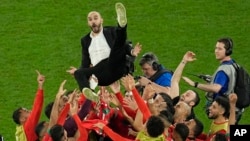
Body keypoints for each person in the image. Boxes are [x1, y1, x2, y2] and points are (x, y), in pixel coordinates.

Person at [67, 2, 141, 91]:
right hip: (100, 73)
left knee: (116, 46)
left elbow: (122, 44)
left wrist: (132, 51)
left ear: (101, 20)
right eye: (90, 20)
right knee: (78, 73)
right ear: (88, 23)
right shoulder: (85, 40)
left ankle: (122, 25)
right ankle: (89, 93)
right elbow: (85, 61)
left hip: (115, 65)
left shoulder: (111, 31)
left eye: (95, 18)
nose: (93, 22)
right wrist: (78, 71)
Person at [182, 37, 243, 124]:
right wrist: (212, 79)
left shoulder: (223, 69)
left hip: (225, 111)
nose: (216, 51)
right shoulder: (233, 63)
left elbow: (216, 88)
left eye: (220, 49)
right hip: (234, 109)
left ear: (227, 51)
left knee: (223, 134)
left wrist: (194, 84)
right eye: (216, 48)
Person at [12, 70, 45, 141]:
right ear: (22, 119)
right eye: (26, 111)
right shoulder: (28, 127)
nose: (30, 111)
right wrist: (40, 86)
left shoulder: (21, 131)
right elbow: (37, 108)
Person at [170, 51, 200, 119]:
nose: (183, 94)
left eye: (187, 95)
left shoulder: (190, 119)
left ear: (192, 103)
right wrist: (184, 61)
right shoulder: (175, 101)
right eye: (185, 93)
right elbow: (175, 81)